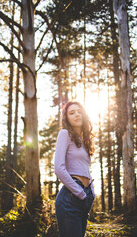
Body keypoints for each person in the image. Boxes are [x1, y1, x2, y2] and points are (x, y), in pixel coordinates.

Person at [54, 101, 95, 237]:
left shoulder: (84, 141)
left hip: (84, 197)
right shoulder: (65, 134)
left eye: (79, 111)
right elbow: (59, 169)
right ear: (67, 118)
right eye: (72, 113)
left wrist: (90, 192)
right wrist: (80, 192)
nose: (77, 114)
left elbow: (85, 169)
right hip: (70, 199)